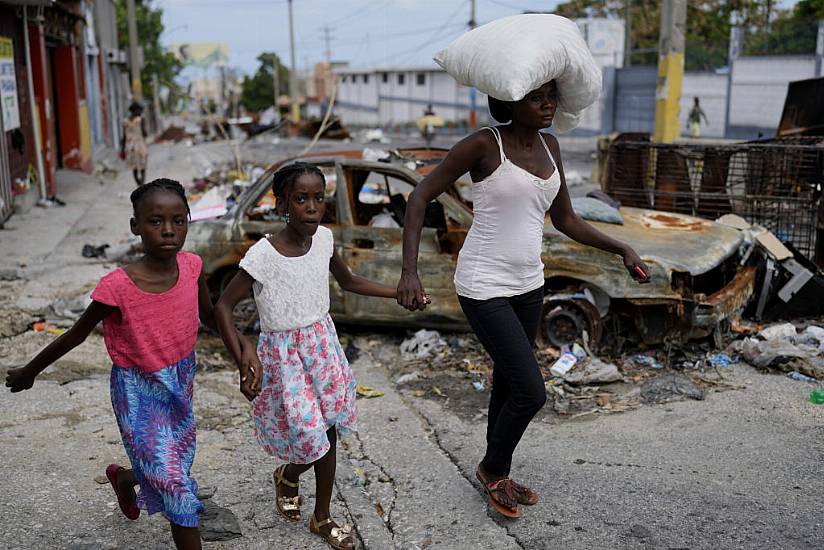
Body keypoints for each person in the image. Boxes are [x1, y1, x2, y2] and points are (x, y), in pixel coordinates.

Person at [397, 81, 650, 519]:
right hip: (483, 284)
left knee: (512, 381)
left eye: (552, 96)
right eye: (537, 98)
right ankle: (492, 468)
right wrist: (409, 270)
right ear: (510, 102)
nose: (549, 104)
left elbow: (566, 218)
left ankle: (497, 473)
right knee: (532, 392)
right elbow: (420, 195)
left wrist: (622, 249)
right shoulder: (482, 145)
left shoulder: (551, 146)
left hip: (529, 284)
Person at [5, 179, 257, 550]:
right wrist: (30, 371)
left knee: (172, 459)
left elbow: (210, 317)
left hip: (181, 379)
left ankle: (125, 480)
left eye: (178, 220)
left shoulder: (191, 267)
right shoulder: (117, 287)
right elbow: (76, 334)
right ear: (135, 226)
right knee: (174, 481)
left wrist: (243, 351)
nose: (169, 230)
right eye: (155, 221)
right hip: (137, 390)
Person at [214, 162, 400, 550]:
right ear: (282, 203)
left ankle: (323, 516)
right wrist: (242, 355)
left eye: (319, 198)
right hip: (284, 359)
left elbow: (349, 281)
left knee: (326, 430)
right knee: (309, 434)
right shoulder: (263, 253)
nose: (312, 207)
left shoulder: (325, 240)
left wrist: (397, 292)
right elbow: (223, 307)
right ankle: (288, 474)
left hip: (322, 347)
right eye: (301, 199)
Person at [121, 102, 149, 186]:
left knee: (134, 167)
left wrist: (122, 148)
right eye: (140, 110)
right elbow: (145, 134)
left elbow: (124, 136)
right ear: (135, 110)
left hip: (130, 146)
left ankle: (138, 184)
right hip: (140, 145)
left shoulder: (125, 121)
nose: (141, 112)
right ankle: (142, 183)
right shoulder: (140, 120)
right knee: (143, 165)